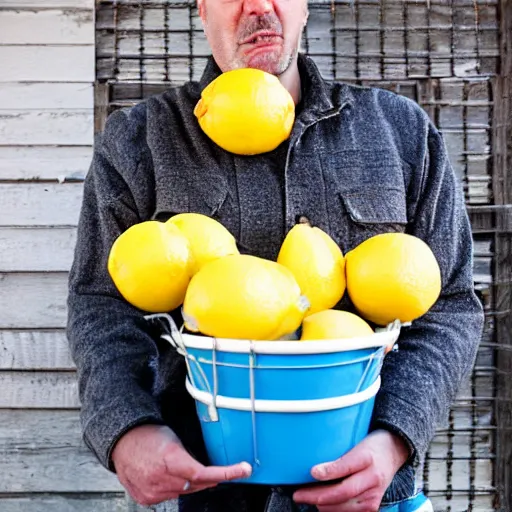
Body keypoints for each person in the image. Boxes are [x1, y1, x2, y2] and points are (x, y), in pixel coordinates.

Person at [67, 0, 484, 510]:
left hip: (372, 491)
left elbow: (452, 304)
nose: (259, 6)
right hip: (208, 491)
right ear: (201, 8)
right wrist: (126, 429)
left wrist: (396, 437)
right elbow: (100, 306)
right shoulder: (138, 141)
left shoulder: (400, 132)